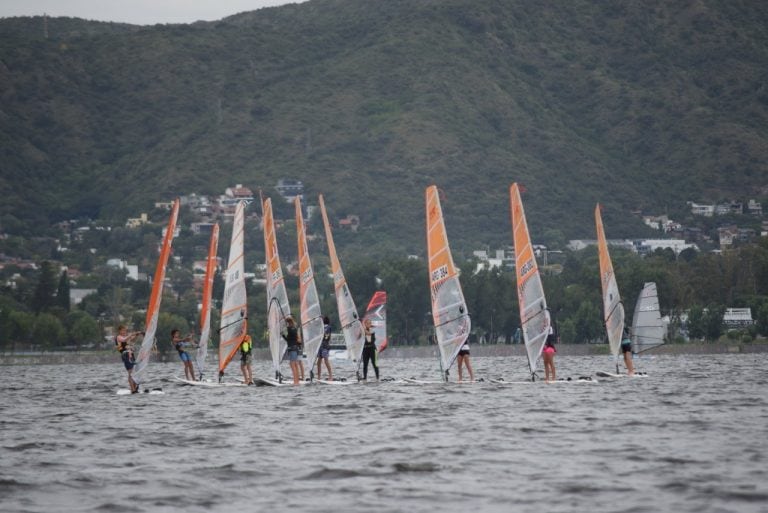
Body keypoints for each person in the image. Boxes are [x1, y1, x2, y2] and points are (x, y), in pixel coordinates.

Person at [115, 325, 141, 393]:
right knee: (131, 372)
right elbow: (124, 340)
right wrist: (131, 334)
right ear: (119, 331)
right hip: (125, 355)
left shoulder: (126, 337)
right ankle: (133, 389)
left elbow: (132, 340)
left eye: (125, 330)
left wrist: (137, 335)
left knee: (135, 372)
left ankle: (135, 388)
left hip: (131, 355)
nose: (124, 332)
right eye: (123, 330)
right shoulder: (119, 337)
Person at [282, 316, 302, 385]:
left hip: (292, 348)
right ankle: (297, 381)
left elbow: (288, 340)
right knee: (295, 364)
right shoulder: (295, 329)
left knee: (293, 365)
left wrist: (283, 335)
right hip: (296, 348)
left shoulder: (289, 329)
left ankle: (295, 381)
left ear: (288, 323)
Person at [316, 316, 333, 381]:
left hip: (325, 346)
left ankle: (330, 376)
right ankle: (319, 377)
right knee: (318, 362)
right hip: (321, 345)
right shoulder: (322, 327)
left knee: (326, 361)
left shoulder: (328, 327)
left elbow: (326, 336)